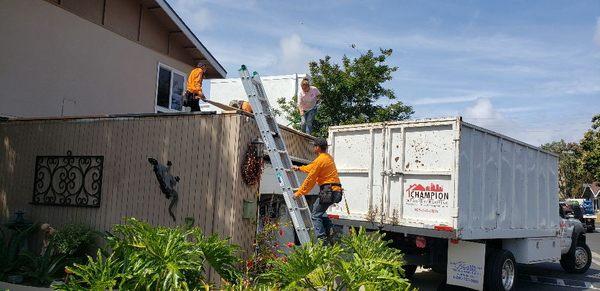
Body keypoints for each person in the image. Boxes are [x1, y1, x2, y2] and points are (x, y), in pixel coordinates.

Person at [293, 138, 343, 240]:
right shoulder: (328, 157)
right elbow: (312, 167)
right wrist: (299, 168)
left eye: (314, 146)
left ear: (318, 148)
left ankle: (322, 239)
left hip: (328, 192)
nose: (313, 148)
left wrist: (299, 193)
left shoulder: (320, 160)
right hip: (336, 191)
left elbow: (310, 179)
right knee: (321, 213)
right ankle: (331, 231)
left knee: (315, 215)